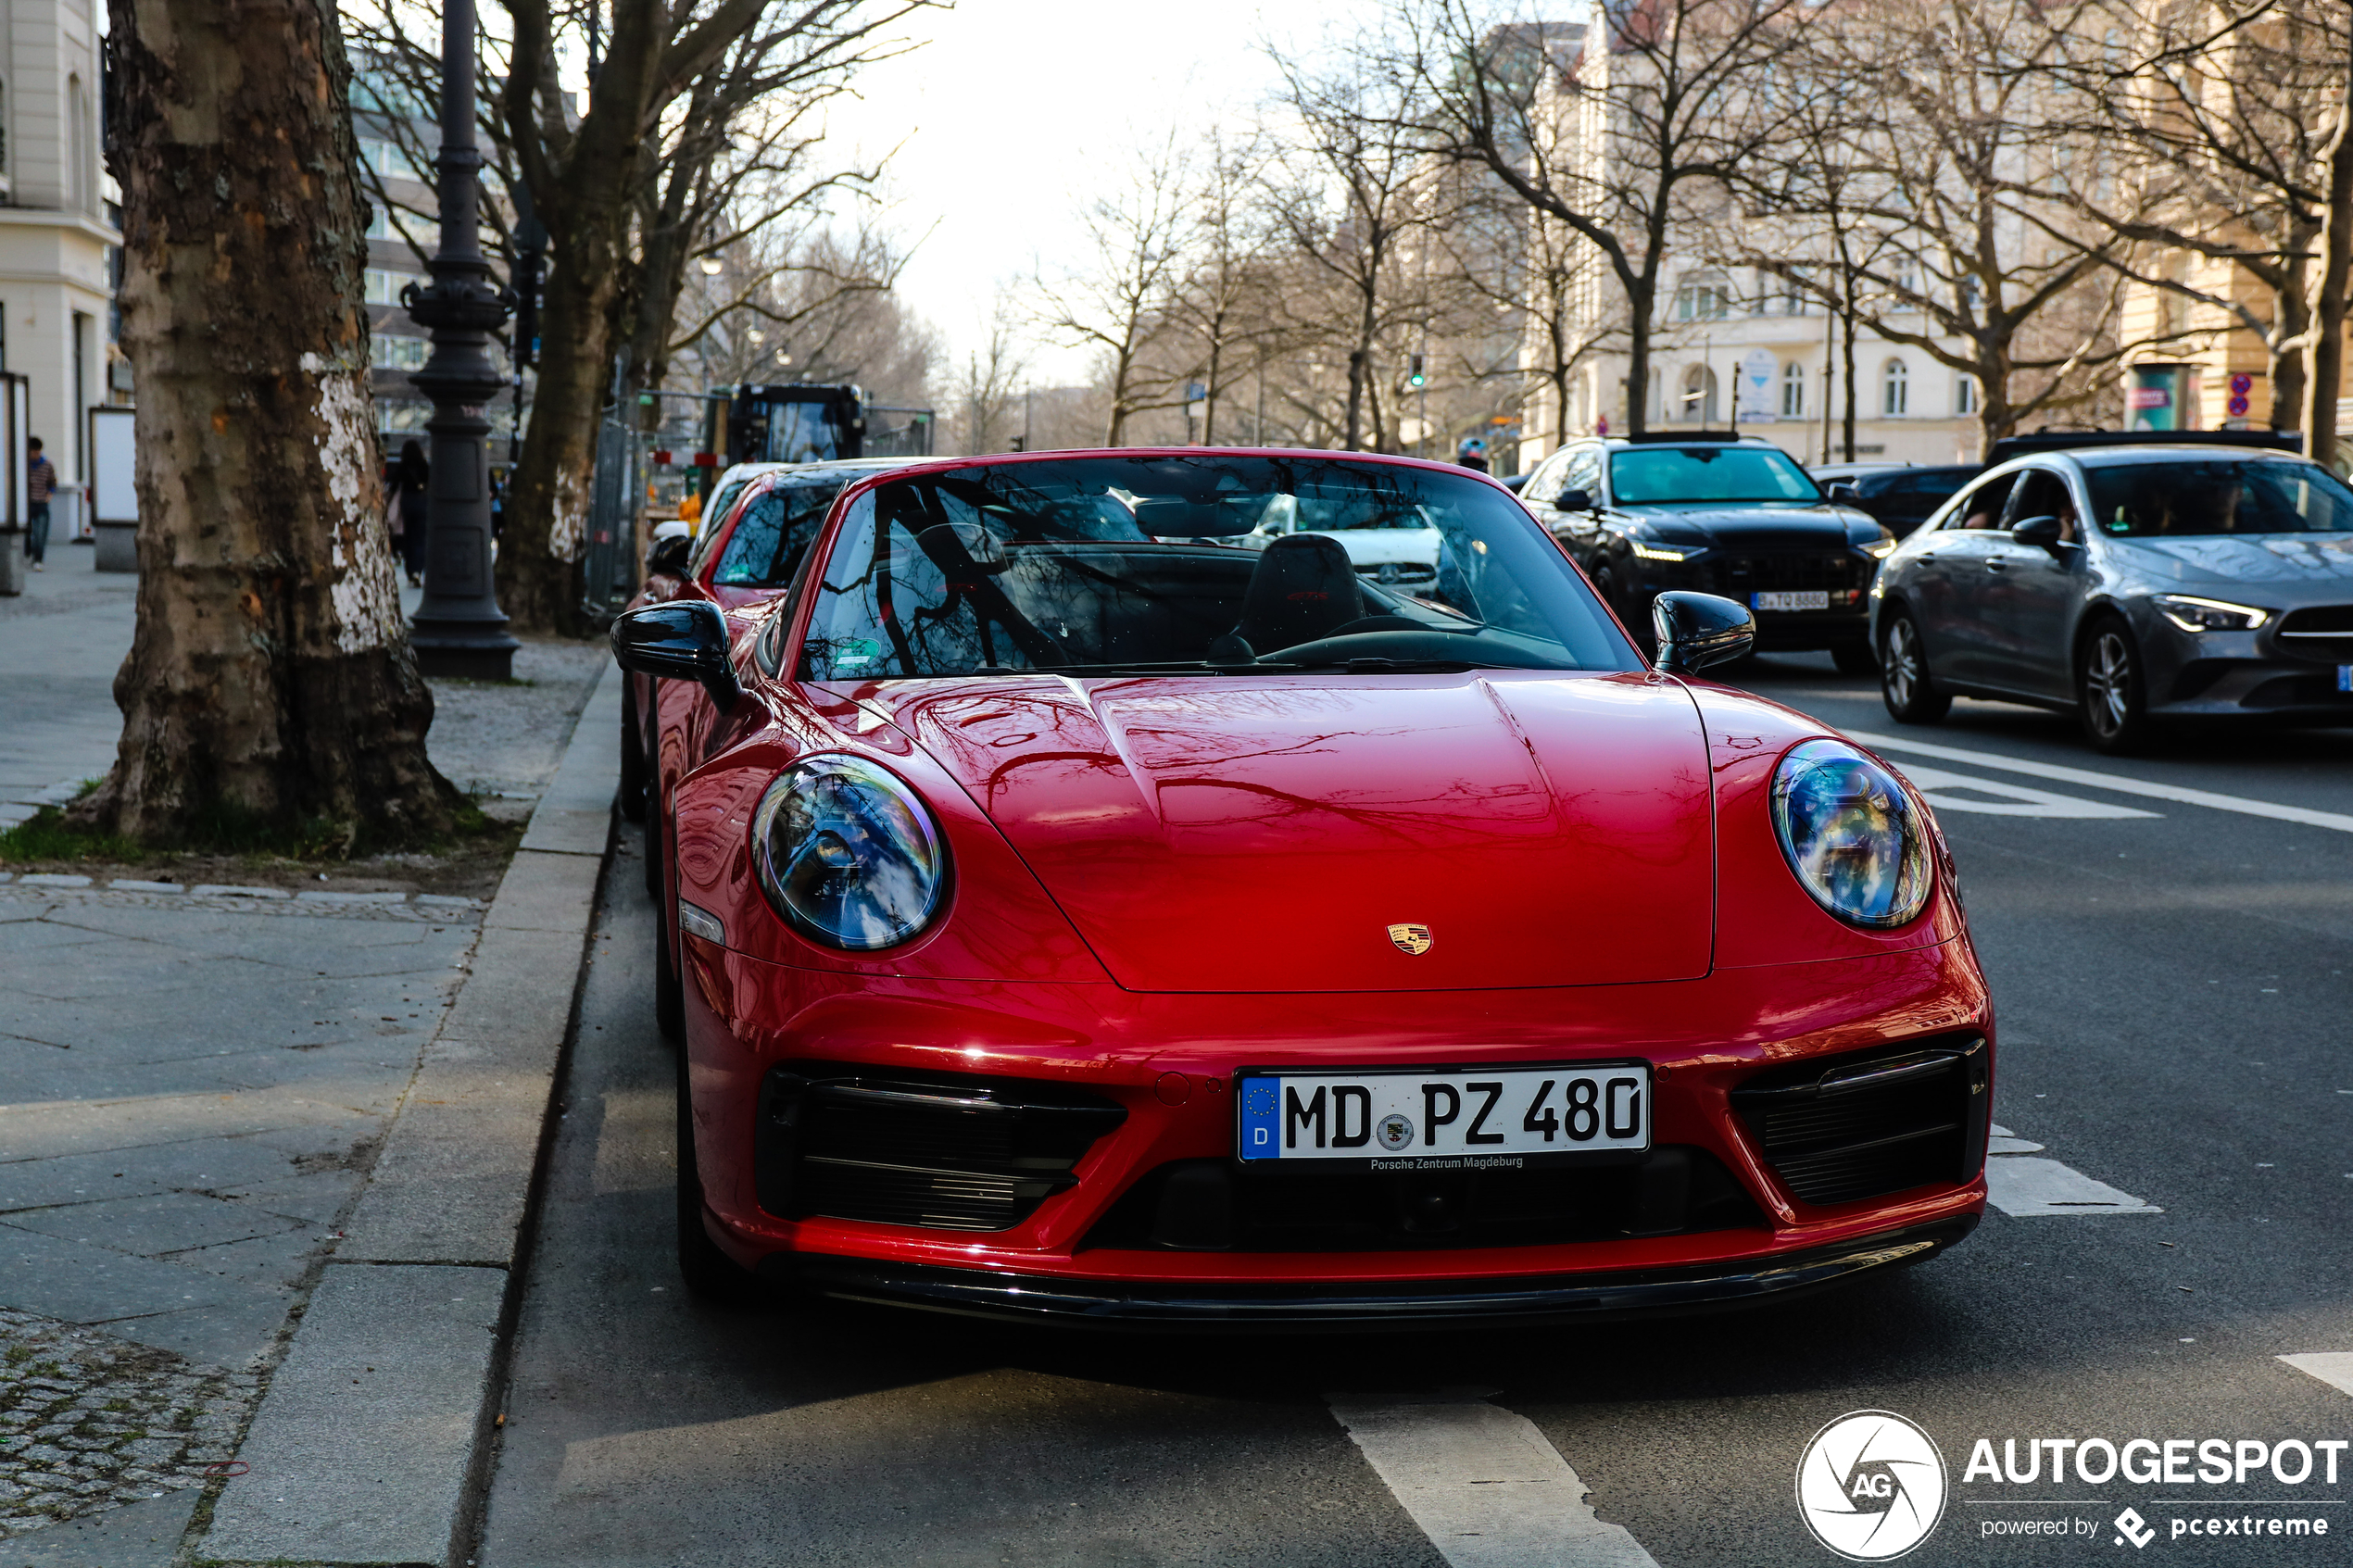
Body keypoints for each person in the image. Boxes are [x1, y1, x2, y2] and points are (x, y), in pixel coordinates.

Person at [396, 440, 430, 586]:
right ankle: (417, 570)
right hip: (422, 503)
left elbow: (394, 483)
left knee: (408, 537)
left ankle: (410, 571)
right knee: (420, 538)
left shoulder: (402, 466)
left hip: (406, 502)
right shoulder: (425, 466)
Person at [25, 438, 54, 571]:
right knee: (27, 532)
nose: (35, 454)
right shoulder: (25, 465)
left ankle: (38, 560)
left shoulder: (47, 464)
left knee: (40, 533)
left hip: (42, 503)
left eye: (37, 451)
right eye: (33, 451)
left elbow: (52, 482)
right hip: (28, 504)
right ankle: (28, 551)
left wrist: (49, 496)